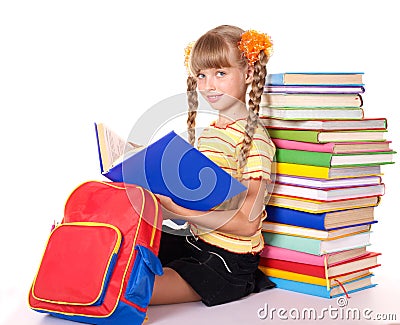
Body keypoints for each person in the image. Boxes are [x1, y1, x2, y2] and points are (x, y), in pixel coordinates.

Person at [151, 25, 276, 307]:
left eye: (220, 73)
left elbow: (247, 224)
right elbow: (204, 201)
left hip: (227, 263)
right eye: (202, 75)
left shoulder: (253, 141)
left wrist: (179, 210)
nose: (208, 85)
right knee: (121, 252)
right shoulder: (212, 133)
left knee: (133, 288)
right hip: (196, 243)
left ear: (248, 73)